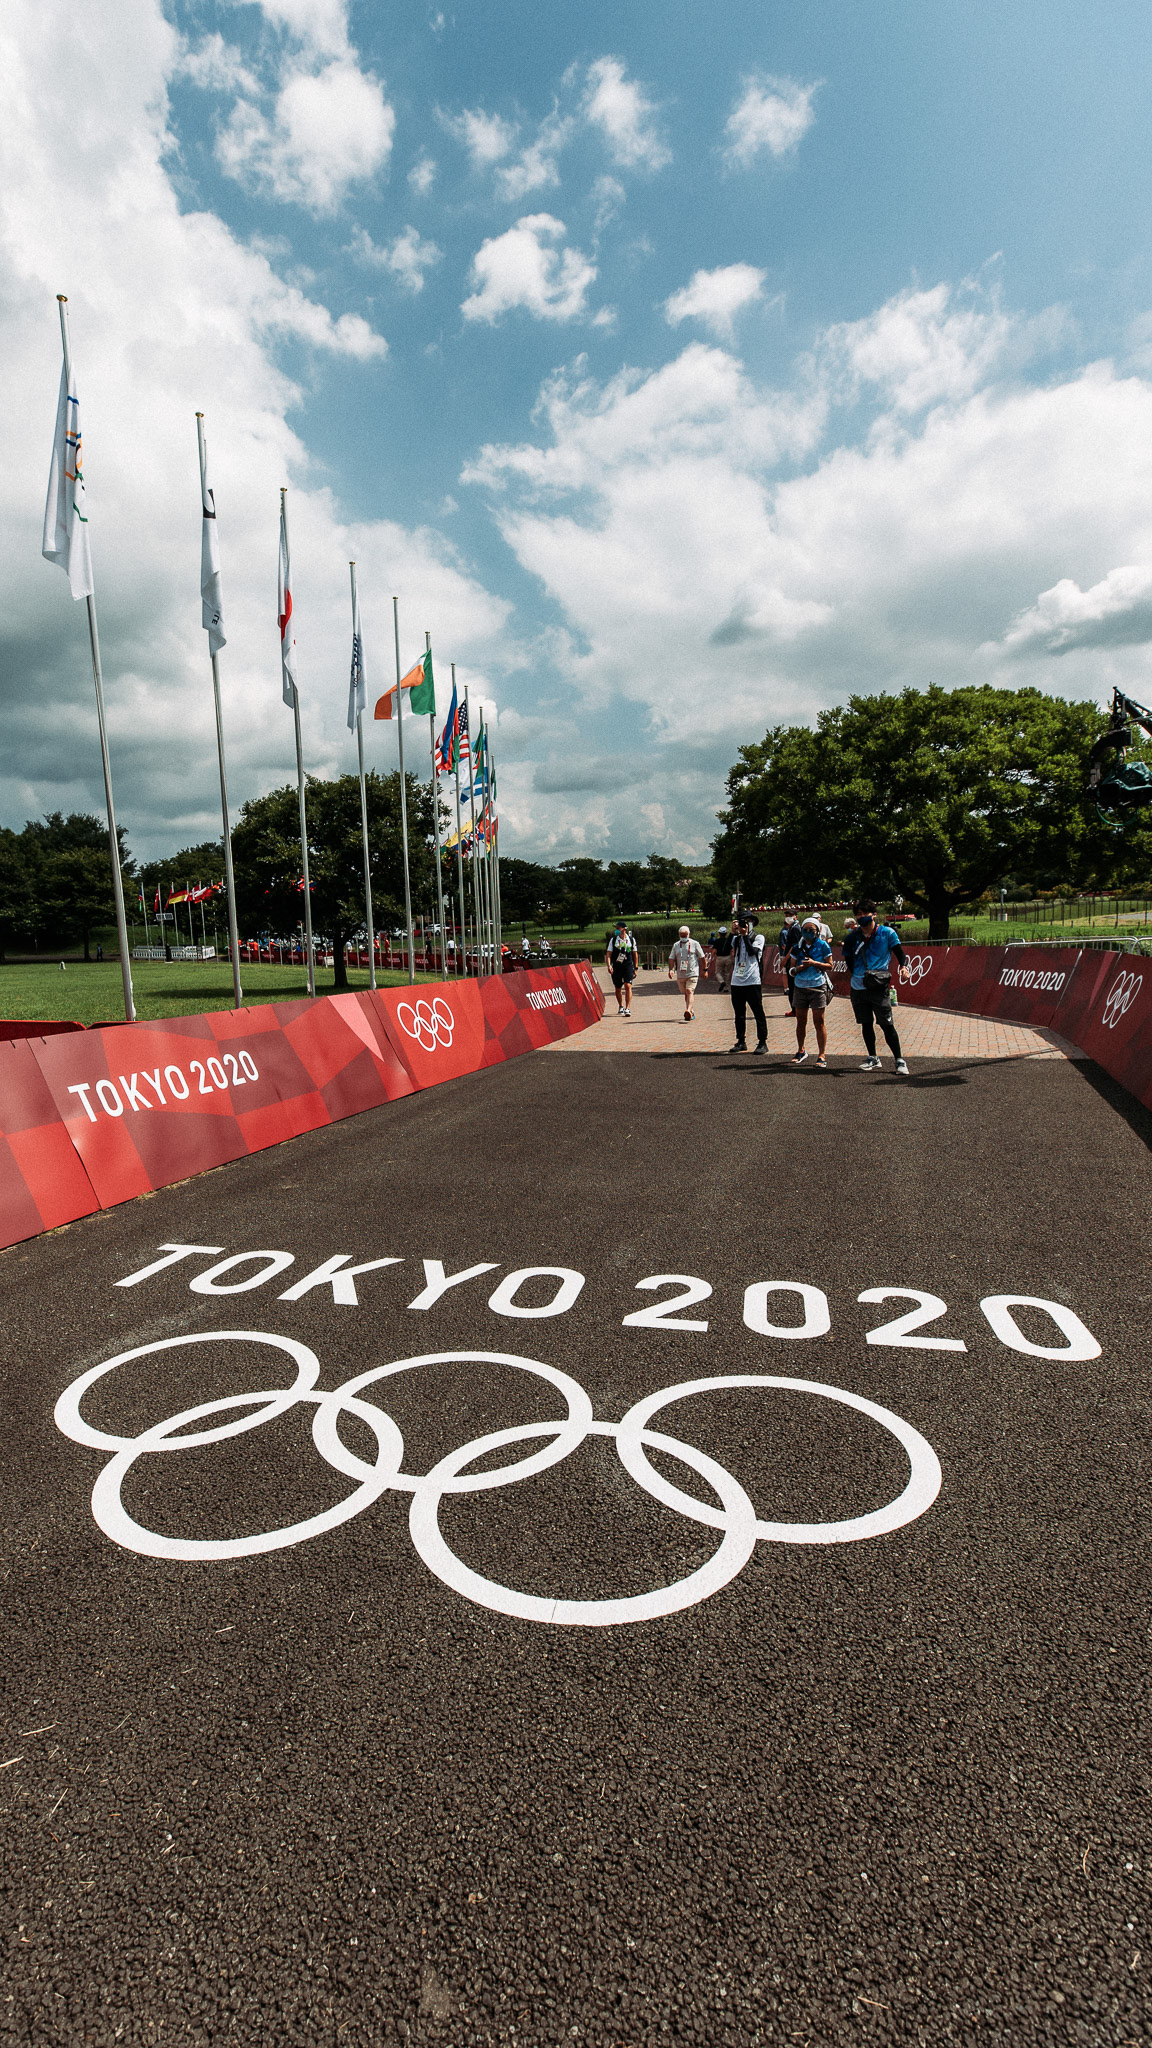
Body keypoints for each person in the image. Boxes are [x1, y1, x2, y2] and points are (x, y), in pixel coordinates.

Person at [843, 903, 911, 1074]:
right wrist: (859, 976)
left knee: (887, 1024)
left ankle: (899, 1060)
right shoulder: (852, 937)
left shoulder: (887, 933)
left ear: (874, 914)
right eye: (858, 914)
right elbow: (849, 961)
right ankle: (873, 1057)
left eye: (865, 912)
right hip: (858, 987)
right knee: (866, 1024)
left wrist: (903, 967)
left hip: (879, 987)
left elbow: (899, 952)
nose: (861, 916)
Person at [791, 916, 833, 1068]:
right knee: (801, 1021)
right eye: (805, 930)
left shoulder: (823, 946)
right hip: (800, 987)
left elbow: (830, 965)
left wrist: (815, 963)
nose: (808, 932)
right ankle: (801, 1050)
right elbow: (791, 969)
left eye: (811, 930)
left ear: (817, 931)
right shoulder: (797, 947)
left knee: (819, 1021)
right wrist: (799, 968)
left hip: (817, 986)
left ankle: (821, 1054)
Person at [728, 914, 767, 1052]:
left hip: (752, 980)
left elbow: (752, 952)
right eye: (742, 922)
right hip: (737, 981)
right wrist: (732, 933)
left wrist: (744, 935)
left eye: (748, 922)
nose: (745, 924)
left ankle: (762, 1042)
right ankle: (740, 1041)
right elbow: (726, 948)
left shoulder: (758, 937)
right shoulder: (736, 939)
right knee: (739, 1013)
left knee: (758, 1012)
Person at [668, 925, 706, 1020]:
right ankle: (691, 1011)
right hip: (681, 974)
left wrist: (704, 969)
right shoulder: (676, 945)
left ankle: (688, 1010)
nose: (683, 937)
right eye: (682, 935)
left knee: (690, 991)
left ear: (689, 934)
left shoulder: (695, 944)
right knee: (686, 993)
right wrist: (671, 969)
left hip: (693, 973)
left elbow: (702, 957)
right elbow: (671, 958)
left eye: (685, 935)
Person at [605, 920, 638, 1018]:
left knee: (628, 986)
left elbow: (635, 955)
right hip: (617, 966)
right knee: (618, 987)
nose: (616, 930)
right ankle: (621, 1006)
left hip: (628, 965)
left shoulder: (631, 940)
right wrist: (609, 965)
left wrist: (635, 968)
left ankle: (627, 1008)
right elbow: (608, 954)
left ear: (624, 929)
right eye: (616, 928)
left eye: (618, 928)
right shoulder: (613, 940)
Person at [778, 913, 800, 1012]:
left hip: (792, 960)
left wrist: (786, 959)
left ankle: (795, 1009)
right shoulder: (790, 928)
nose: (788, 917)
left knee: (792, 986)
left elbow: (794, 946)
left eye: (790, 915)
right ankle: (794, 1008)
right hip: (790, 958)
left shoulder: (795, 928)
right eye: (786, 915)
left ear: (796, 916)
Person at [714, 923, 732, 992]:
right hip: (728, 957)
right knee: (726, 973)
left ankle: (722, 982)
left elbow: (714, 951)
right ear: (726, 933)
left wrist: (712, 958)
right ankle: (727, 988)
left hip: (719, 958)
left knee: (717, 972)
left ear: (719, 933)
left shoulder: (717, 941)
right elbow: (732, 950)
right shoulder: (729, 941)